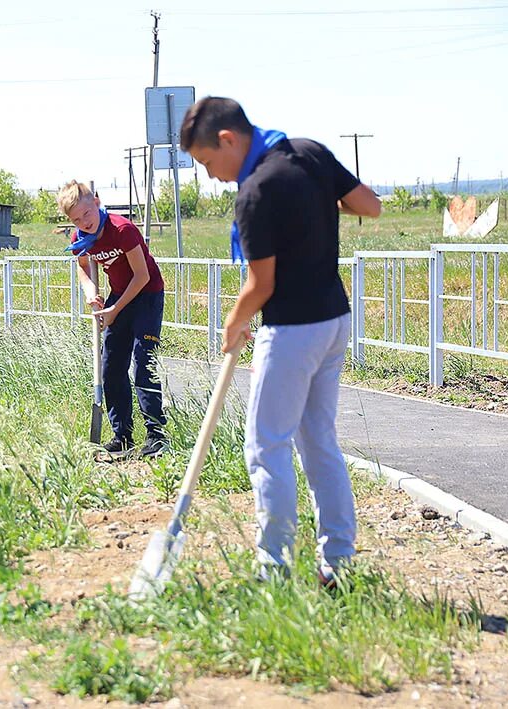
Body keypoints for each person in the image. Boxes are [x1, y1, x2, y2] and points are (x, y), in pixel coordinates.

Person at [178, 97, 382, 585]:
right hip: (334, 320)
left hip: (291, 329)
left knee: (266, 445)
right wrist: (315, 201)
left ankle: (273, 566)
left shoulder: (255, 193)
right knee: (318, 441)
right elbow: (368, 206)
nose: (212, 176)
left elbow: (261, 285)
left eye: (208, 162)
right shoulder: (308, 153)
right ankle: (338, 563)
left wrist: (234, 322)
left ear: (228, 140)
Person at [58, 180, 167, 457]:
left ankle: (156, 435)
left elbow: (142, 276)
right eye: (76, 220)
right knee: (112, 366)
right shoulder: (80, 239)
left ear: (96, 201)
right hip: (118, 297)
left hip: (147, 295)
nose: (84, 222)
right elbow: (84, 268)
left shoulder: (122, 230)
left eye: (87, 214)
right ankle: (122, 436)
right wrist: (92, 294)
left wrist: (114, 310)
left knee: (144, 364)